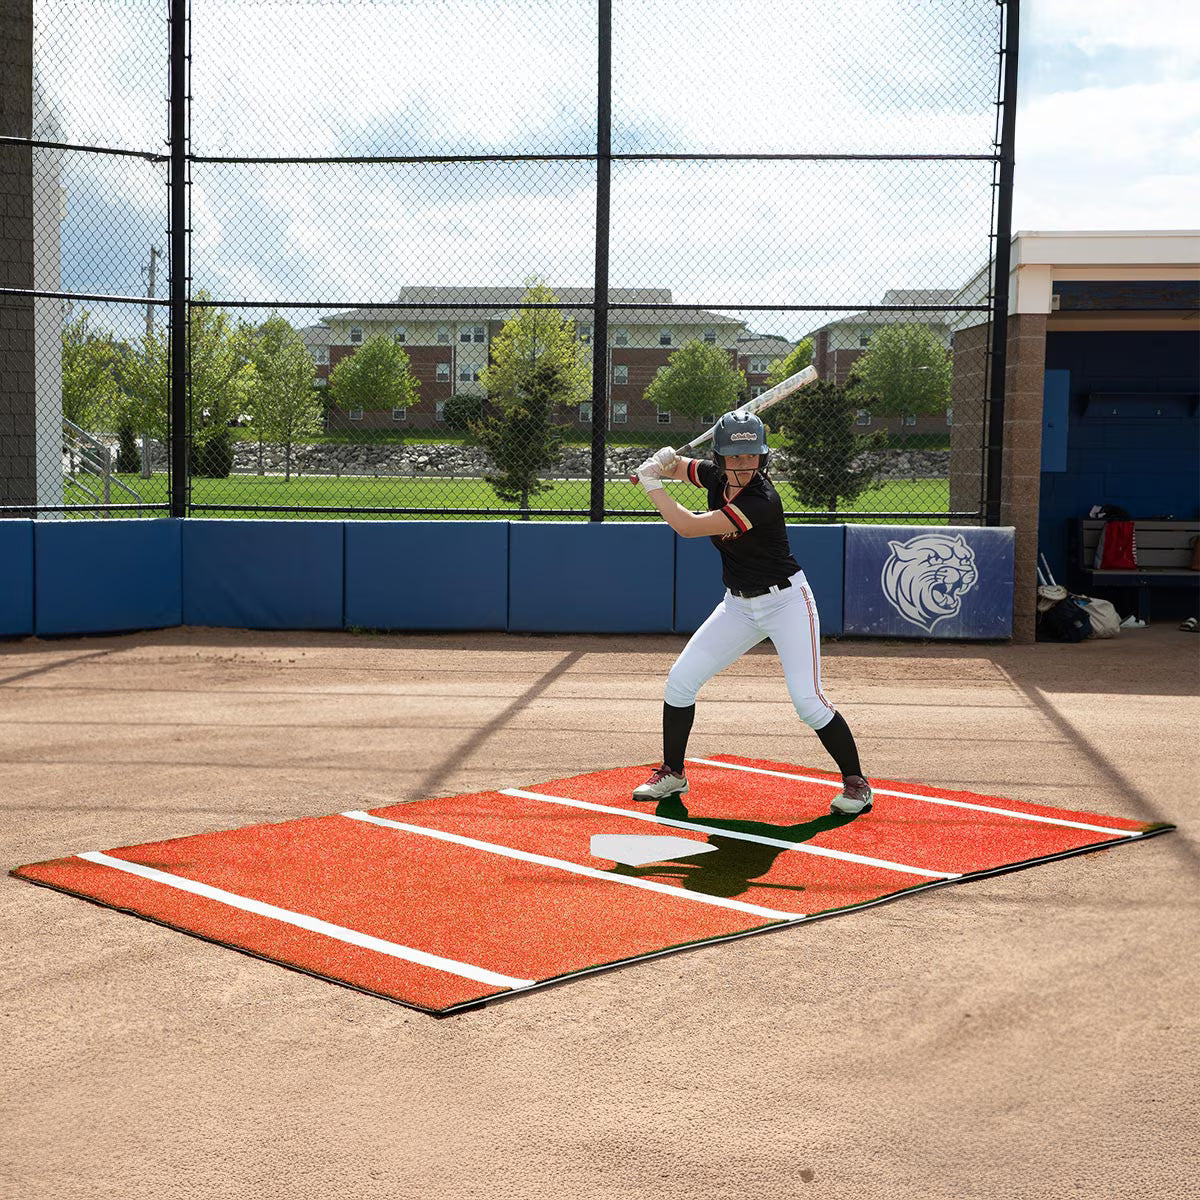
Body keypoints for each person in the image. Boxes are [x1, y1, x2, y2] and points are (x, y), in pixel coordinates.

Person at [631, 410, 873, 816]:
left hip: (787, 603)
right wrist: (664, 462)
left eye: (751, 456)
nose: (743, 464)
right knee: (680, 681)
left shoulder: (762, 500)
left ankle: (857, 783)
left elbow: (689, 527)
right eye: (735, 456)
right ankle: (673, 773)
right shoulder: (715, 476)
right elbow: (683, 468)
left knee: (808, 701)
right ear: (721, 458)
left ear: (763, 457)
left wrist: (652, 484)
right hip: (738, 606)